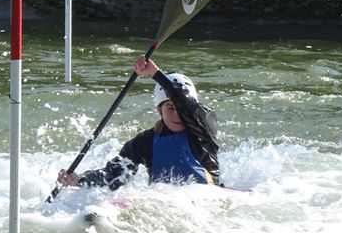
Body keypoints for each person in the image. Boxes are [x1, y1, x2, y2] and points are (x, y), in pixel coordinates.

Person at [57, 55, 220, 191]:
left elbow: (186, 104)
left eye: (181, 109)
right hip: (166, 203)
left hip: (206, 197)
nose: (178, 115)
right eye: (170, 108)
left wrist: (156, 74)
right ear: (159, 110)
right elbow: (112, 175)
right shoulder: (145, 142)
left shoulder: (204, 127)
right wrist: (78, 180)